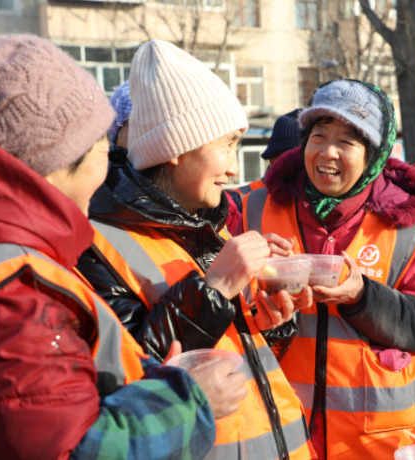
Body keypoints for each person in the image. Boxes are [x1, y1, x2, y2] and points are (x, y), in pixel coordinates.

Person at [0, 34, 244, 460]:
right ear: (56, 159)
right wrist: (188, 404)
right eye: (102, 145)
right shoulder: (16, 292)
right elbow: (67, 449)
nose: (111, 164)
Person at [76, 39, 315, 459]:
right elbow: (131, 376)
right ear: (175, 149)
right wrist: (216, 287)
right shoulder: (97, 244)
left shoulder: (206, 228)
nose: (235, 168)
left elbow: (239, 363)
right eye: (226, 145)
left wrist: (268, 323)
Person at [241, 79, 415, 458]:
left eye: (346, 142)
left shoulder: (408, 226)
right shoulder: (253, 210)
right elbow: (223, 312)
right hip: (281, 434)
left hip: (378, 444)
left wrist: (362, 296)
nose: (328, 152)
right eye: (318, 136)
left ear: (373, 155)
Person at [230, 108, 303, 202]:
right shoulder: (239, 200)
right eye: (294, 159)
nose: (303, 166)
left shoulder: (318, 201)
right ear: (273, 161)